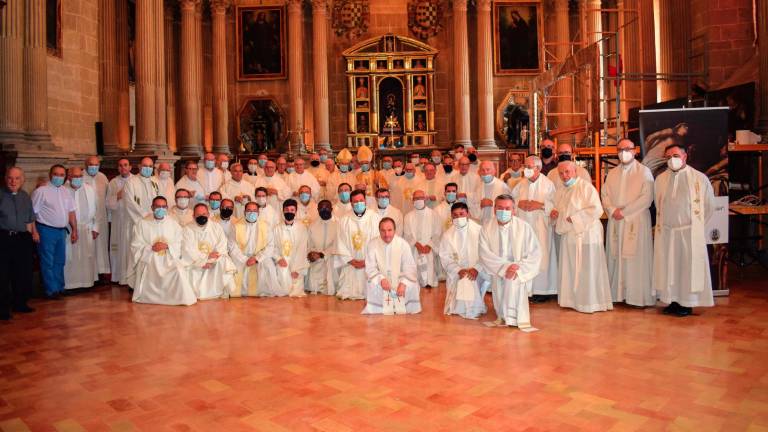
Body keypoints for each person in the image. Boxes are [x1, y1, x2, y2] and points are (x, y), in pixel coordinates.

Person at [653, 143, 716, 317]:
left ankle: (686, 303)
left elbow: (709, 206)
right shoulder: (661, 179)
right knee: (670, 269)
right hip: (667, 233)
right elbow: (659, 205)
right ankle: (672, 300)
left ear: (684, 156)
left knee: (686, 269)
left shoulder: (699, 178)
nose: (671, 160)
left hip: (688, 233)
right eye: (667, 157)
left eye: (675, 156)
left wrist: (695, 226)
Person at [551, 161, 613, 313]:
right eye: (561, 173)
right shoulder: (560, 191)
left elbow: (596, 209)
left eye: (567, 172)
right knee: (572, 269)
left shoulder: (585, 187)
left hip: (586, 236)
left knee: (588, 269)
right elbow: (558, 211)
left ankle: (590, 302)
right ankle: (572, 301)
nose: (564, 176)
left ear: (575, 172)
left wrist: (575, 218)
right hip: (569, 236)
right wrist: (554, 214)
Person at [601, 139, 655, 307]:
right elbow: (605, 195)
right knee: (616, 257)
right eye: (620, 149)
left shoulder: (644, 172)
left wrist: (624, 212)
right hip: (616, 222)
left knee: (635, 259)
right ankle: (618, 294)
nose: (623, 152)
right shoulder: (612, 173)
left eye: (627, 149)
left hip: (635, 221)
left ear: (635, 151)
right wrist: (612, 210)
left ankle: (637, 296)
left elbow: (646, 198)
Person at [479, 195, 542, 329]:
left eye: (507, 208)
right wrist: (505, 267)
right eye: (500, 208)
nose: (503, 211)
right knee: (505, 279)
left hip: (518, 269)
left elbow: (535, 253)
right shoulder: (486, 227)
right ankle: (503, 315)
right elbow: (484, 253)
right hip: (498, 269)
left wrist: (517, 268)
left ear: (514, 210)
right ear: (494, 209)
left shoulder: (524, 227)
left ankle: (513, 319)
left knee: (513, 279)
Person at [130, 196, 197, 306]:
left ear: (166, 208)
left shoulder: (173, 224)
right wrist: (150, 248)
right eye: (157, 206)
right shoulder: (142, 224)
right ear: (152, 207)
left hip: (169, 258)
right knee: (149, 269)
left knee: (179, 270)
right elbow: (135, 245)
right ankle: (148, 297)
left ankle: (179, 298)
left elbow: (180, 243)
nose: (160, 209)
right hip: (149, 258)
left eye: (163, 207)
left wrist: (167, 246)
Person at [511, 156, 558, 302]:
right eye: (525, 166)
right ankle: (526, 289)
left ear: (538, 168)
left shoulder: (548, 184)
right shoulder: (521, 184)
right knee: (525, 255)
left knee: (541, 256)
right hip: (524, 226)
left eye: (529, 167)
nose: (526, 169)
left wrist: (541, 205)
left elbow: (555, 205)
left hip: (541, 227)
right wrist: (520, 203)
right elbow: (512, 201)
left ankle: (542, 291)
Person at [32, 165, 78, 299]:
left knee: (60, 261)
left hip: (61, 231)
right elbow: (32, 214)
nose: (59, 177)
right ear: (50, 174)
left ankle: (59, 287)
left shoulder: (65, 191)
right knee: (48, 262)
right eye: (56, 174)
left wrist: (74, 229)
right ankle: (51, 290)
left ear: (65, 177)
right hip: (46, 230)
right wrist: (34, 232)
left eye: (62, 175)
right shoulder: (41, 191)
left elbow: (71, 211)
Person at [439, 202, 489, 320]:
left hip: (478, 270)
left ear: (468, 214)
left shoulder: (480, 231)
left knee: (470, 279)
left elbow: (486, 253)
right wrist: (458, 270)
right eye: (455, 215)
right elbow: (445, 257)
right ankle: (465, 308)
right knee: (464, 279)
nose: (458, 218)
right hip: (458, 271)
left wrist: (476, 269)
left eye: (461, 214)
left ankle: (474, 309)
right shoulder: (447, 235)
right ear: (451, 217)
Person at [361, 217, 422, 315]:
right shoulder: (372, 244)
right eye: (383, 231)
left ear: (395, 230)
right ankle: (378, 308)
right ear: (379, 231)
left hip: (399, 280)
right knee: (372, 283)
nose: (386, 234)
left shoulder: (403, 244)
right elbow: (370, 267)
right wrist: (381, 279)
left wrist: (403, 283)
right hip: (382, 281)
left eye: (389, 230)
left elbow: (410, 267)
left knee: (412, 284)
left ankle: (405, 306)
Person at [0, 167, 37, 319]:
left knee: (22, 273)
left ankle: (20, 303)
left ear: (22, 180)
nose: (13, 181)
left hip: (22, 238)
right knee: (2, 275)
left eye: (17, 178)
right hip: (3, 238)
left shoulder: (25, 196)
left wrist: (33, 233)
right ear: (5, 179)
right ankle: (2, 309)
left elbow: (29, 219)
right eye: (10, 178)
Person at [334, 189, 381, 300]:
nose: (359, 203)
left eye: (361, 200)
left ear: (365, 201)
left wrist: (367, 261)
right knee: (348, 293)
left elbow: (379, 241)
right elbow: (339, 242)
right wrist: (351, 260)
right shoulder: (344, 220)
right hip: (351, 264)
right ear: (351, 203)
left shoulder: (375, 218)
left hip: (369, 264)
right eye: (355, 201)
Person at [182, 203, 236, 300]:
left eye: (204, 214)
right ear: (193, 216)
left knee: (224, 261)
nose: (202, 216)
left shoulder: (216, 227)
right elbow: (188, 249)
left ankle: (220, 290)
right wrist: (204, 260)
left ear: (208, 214)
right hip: (196, 262)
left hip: (213, 262)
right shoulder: (187, 229)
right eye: (198, 215)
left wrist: (210, 260)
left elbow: (222, 245)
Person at [122, 157, 160, 287]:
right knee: (136, 252)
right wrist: (145, 218)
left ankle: (149, 280)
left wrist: (155, 218)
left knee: (151, 252)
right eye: (145, 166)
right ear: (139, 166)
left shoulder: (155, 182)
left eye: (150, 166)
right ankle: (134, 283)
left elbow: (160, 201)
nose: (148, 168)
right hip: (137, 223)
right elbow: (130, 203)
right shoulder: (130, 182)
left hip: (153, 224)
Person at [228, 202, 279, 297]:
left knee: (269, 266)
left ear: (258, 213)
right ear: (244, 212)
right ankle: (239, 292)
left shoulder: (265, 226)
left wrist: (257, 258)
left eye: (255, 211)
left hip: (259, 257)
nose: (252, 213)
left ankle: (264, 291)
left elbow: (270, 246)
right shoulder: (236, 226)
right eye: (249, 210)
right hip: (241, 257)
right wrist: (244, 259)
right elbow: (232, 246)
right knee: (233, 268)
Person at [63, 167, 99, 290]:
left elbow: (96, 209)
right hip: (70, 228)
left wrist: (95, 227)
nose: (78, 179)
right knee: (71, 257)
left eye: (80, 176)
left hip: (87, 228)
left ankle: (86, 283)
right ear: (68, 177)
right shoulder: (63, 190)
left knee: (86, 256)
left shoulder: (89, 189)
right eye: (75, 176)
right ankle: (71, 284)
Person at [403, 190, 442, 288]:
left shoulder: (434, 214)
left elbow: (437, 233)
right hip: (415, 248)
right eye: (416, 198)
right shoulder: (408, 216)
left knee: (429, 266)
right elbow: (407, 234)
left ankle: (429, 281)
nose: (418, 200)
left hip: (429, 248)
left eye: (421, 198)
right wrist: (418, 245)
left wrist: (429, 245)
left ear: (425, 199)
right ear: (412, 200)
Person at [273, 199, 309, 297]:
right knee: (284, 289)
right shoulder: (276, 228)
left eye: (292, 210)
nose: (289, 212)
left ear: (296, 212)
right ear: (283, 211)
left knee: (296, 291)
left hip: (297, 264)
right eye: (287, 209)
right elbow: (273, 247)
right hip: (282, 261)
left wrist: (296, 269)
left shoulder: (302, 228)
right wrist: (278, 258)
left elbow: (302, 250)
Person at [106, 158, 133, 283]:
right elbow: (108, 203)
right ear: (118, 168)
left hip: (131, 220)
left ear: (130, 167)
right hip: (118, 220)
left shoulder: (135, 181)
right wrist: (117, 196)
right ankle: (119, 276)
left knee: (130, 247)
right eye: (120, 165)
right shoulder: (113, 182)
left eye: (125, 165)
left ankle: (131, 277)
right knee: (118, 248)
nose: (123, 168)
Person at [83, 156, 110, 276]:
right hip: (87, 218)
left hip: (102, 216)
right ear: (85, 165)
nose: (93, 167)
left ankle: (101, 272)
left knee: (101, 245)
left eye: (96, 165)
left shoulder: (102, 177)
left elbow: (108, 197)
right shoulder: (80, 177)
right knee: (89, 247)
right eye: (90, 164)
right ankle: (90, 274)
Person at [306, 200, 338, 295]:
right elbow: (309, 244)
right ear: (318, 210)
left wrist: (322, 254)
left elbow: (337, 244)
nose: (324, 210)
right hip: (316, 261)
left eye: (327, 208)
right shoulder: (312, 226)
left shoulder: (338, 225)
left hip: (332, 260)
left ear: (331, 209)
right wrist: (311, 254)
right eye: (322, 208)